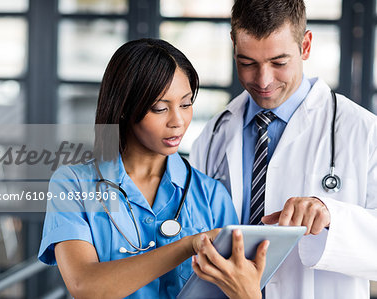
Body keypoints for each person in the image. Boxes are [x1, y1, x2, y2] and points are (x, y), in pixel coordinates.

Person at [38, 38, 268, 299]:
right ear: (124, 108)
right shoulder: (72, 184)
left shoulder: (212, 196)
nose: (178, 121)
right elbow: (85, 286)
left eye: (186, 104)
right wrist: (188, 245)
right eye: (160, 108)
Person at [190, 0, 377, 298]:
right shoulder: (214, 133)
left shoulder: (364, 131)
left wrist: (333, 216)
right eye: (247, 63)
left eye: (279, 63)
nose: (263, 80)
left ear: (305, 46)